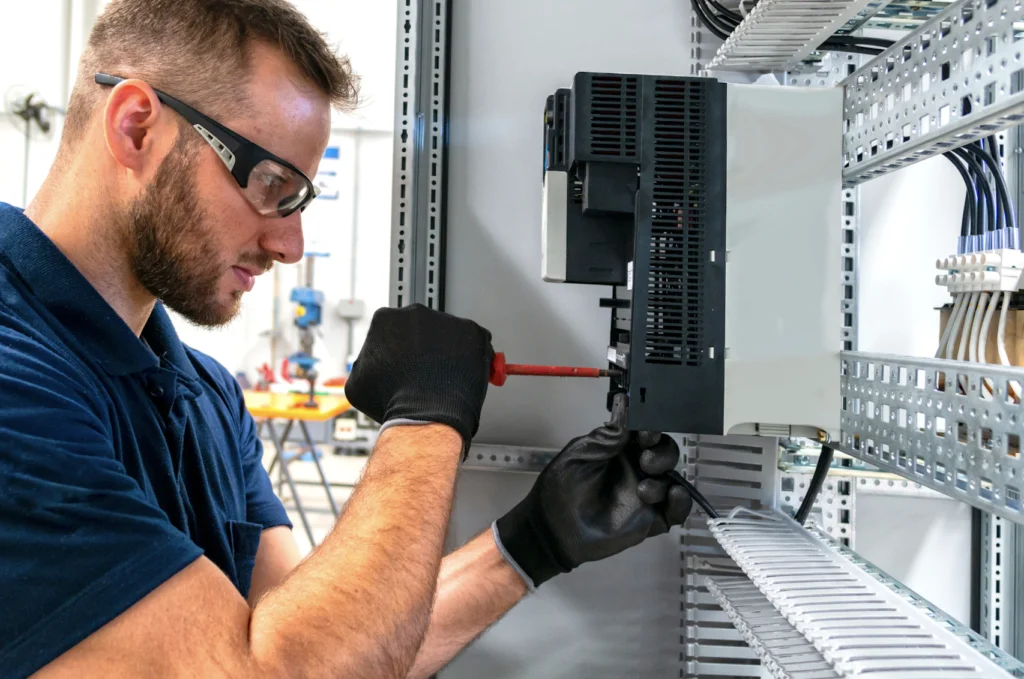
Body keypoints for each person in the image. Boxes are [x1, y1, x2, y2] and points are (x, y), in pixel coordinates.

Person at [0, 0, 694, 677]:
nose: (289, 243)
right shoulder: (13, 380)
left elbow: (336, 646)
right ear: (136, 128)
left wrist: (531, 541)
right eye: (270, 185)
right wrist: (426, 416)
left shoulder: (205, 396)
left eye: (298, 202)